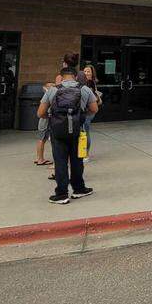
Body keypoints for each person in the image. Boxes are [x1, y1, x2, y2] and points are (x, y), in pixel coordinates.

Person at [38, 66, 98, 204]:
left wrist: (53, 117)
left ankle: (61, 194)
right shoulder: (84, 89)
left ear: (61, 76)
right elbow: (94, 109)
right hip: (77, 131)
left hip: (58, 131)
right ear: (76, 76)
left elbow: (40, 113)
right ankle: (79, 188)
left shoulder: (52, 90)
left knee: (60, 162)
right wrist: (80, 116)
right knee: (77, 161)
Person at [81, 64, 102, 159]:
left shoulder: (90, 83)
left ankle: (86, 154)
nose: (86, 73)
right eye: (84, 71)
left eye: (88, 71)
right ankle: (83, 152)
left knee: (85, 131)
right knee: (83, 131)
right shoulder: (86, 82)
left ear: (92, 73)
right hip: (86, 111)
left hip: (89, 111)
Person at [34, 82, 55, 167]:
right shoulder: (48, 96)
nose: (53, 88)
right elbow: (43, 111)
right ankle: (40, 159)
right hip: (45, 121)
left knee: (42, 139)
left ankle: (39, 158)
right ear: (45, 88)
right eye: (51, 86)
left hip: (43, 120)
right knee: (43, 139)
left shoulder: (47, 96)